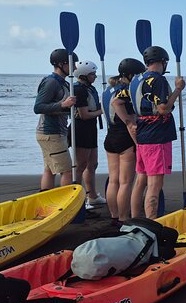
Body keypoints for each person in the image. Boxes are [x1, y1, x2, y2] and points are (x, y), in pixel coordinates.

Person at [129, 46, 185, 219]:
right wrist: (177, 89)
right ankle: (151, 223)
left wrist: (128, 122)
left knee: (140, 181)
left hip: (142, 135)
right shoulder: (158, 80)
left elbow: (118, 101)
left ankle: (134, 218)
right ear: (163, 61)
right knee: (154, 184)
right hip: (157, 137)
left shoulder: (136, 79)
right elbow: (163, 109)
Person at [105, 58, 146, 226]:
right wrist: (130, 123)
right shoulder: (126, 91)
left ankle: (114, 215)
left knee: (113, 179)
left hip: (110, 136)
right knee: (125, 182)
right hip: (125, 137)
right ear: (130, 75)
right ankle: (123, 218)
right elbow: (119, 106)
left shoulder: (108, 90)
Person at [34, 49, 78, 190]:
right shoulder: (51, 82)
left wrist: (69, 110)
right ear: (61, 64)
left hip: (53, 133)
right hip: (50, 133)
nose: (75, 67)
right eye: (72, 64)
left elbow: (58, 108)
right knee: (66, 171)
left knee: (49, 169)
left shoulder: (63, 83)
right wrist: (63, 104)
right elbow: (38, 107)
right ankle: (67, 206)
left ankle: (45, 201)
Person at [70, 60, 106, 211]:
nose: (95, 76)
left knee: (92, 164)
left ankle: (92, 197)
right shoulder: (79, 89)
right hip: (81, 129)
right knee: (81, 165)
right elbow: (84, 115)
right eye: (92, 74)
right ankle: (77, 200)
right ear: (84, 75)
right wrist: (103, 110)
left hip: (91, 129)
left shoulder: (89, 88)